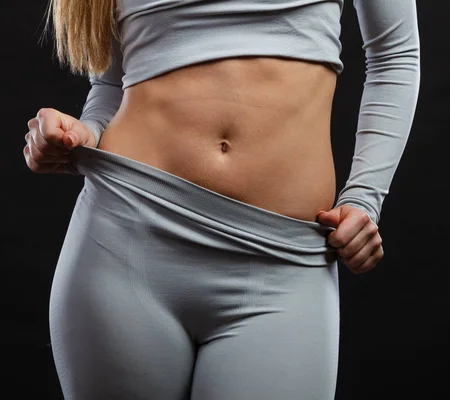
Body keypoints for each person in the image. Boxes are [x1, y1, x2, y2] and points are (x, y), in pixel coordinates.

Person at [24, 0, 420, 398]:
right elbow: (112, 82)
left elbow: (395, 57)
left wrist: (365, 197)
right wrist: (83, 134)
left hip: (281, 257)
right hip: (124, 236)